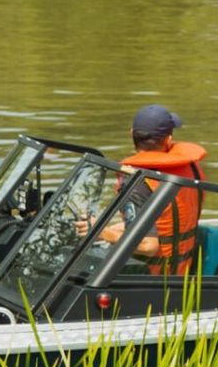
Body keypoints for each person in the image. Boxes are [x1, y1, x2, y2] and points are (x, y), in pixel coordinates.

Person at [75, 104, 208, 275]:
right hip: (181, 270)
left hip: (153, 278)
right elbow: (166, 219)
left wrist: (101, 232)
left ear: (131, 134)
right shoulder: (192, 167)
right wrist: (119, 227)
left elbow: (149, 246)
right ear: (168, 139)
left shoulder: (137, 181)